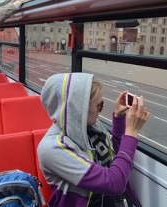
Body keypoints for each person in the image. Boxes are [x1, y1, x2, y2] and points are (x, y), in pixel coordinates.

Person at [37, 72, 151, 207]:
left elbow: (114, 155)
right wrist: (131, 132)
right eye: (98, 105)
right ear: (78, 108)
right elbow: (114, 184)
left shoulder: (91, 125)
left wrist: (119, 119)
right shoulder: (52, 148)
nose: (100, 110)